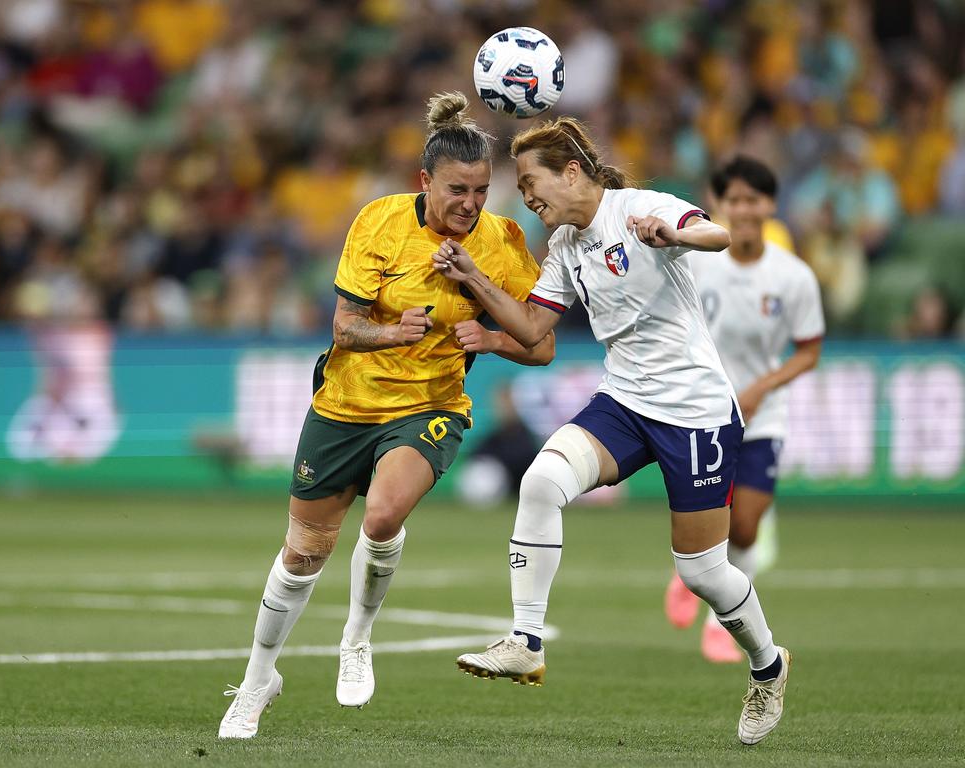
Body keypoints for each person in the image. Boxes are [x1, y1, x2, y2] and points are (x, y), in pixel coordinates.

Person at [436, 117, 791, 746]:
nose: (527, 198)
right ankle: (525, 639)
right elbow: (531, 330)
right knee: (542, 480)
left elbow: (717, 233)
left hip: (696, 412)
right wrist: (472, 279)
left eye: (530, 182)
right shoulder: (567, 247)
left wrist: (670, 233)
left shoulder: (640, 209)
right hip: (625, 402)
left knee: (702, 572)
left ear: (572, 171)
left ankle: (768, 664)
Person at [217, 92, 554, 739]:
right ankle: (260, 677)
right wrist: (392, 334)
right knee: (304, 552)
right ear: (426, 182)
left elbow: (540, 345)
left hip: (430, 405)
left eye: (482, 190)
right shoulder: (380, 222)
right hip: (345, 403)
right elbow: (343, 327)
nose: (471, 204)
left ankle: (357, 636)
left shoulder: (502, 242)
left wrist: (488, 327)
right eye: (458, 189)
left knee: (384, 513)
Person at [664, 156, 824, 663]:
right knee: (709, 517)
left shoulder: (793, 276)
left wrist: (759, 389)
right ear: (717, 205)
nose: (744, 209)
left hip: (761, 416)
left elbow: (809, 349)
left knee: (748, 526)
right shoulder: (697, 261)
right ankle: (692, 572)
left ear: (770, 205)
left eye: (753, 199)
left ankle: (718, 617)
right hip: (703, 411)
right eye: (733, 199)